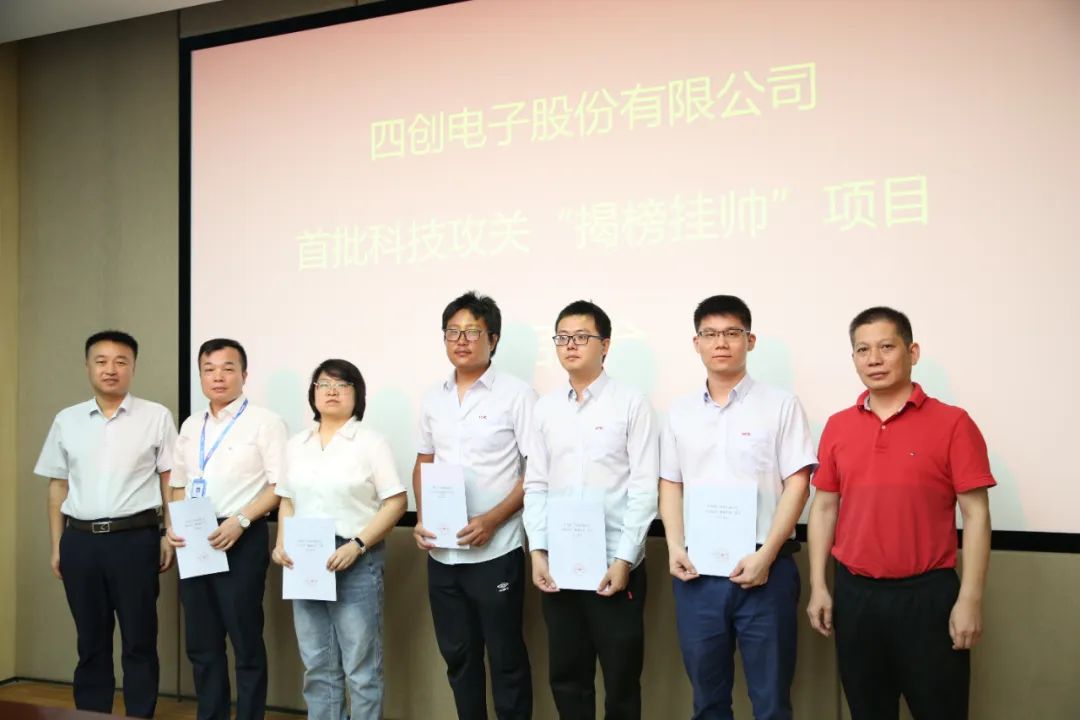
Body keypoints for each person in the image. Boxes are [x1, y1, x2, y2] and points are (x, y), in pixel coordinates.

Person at [806, 307, 994, 720]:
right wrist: (819, 585)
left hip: (928, 598)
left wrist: (970, 599)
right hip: (855, 596)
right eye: (863, 350)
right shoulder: (838, 425)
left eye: (886, 347)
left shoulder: (953, 423)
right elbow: (823, 508)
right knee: (867, 710)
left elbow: (976, 515)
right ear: (854, 358)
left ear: (912, 352)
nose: (874, 359)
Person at [659, 295, 816, 720]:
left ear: (750, 340)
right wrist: (674, 546)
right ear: (696, 343)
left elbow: (798, 483)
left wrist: (767, 556)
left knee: (771, 701)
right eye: (710, 334)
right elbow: (671, 483)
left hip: (766, 570)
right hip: (697, 575)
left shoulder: (780, 405)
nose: (721, 343)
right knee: (707, 701)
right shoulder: (680, 412)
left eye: (731, 333)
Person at [524, 299, 658, 720]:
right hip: (560, 567)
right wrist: (538, 551)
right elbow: (536, 485)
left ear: (606, 345)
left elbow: (644, 488)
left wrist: (624, 559)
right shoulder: (545, 408)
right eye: (562, 338)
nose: (570, 345)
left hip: (614, 566)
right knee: (568, 678)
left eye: (581, 337)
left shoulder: (632, 403)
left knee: (621, 681)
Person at [35, 330, 177, 718]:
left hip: (135, 540)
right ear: (87, 366)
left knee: (139, 640)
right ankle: (91, 714)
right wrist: (57, 544)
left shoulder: (156, 416)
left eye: (120, 361)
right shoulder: (67, 420)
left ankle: (139, 714)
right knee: (91, 641)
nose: (110, 369)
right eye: (101, 361)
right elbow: (58, 486)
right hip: (80, 542)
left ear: (133, 367)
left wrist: (168, 533)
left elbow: (170, 480)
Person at [412, 291, 535, 719]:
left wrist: (492, 520)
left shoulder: (518, 395)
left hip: (496, 550)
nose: (461, 340)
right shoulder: (434, 398)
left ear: (493, 339)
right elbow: (424, 461)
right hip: (443, 554)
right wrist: (422, 516)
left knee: (506, 659)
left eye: (472, 332)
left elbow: (537, 471)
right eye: (453, 332)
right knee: (459, 659)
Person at [273, 358, 407, 720]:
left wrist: (358, 545)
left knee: (361, 668)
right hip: (304, 560)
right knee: (317, 664)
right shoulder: (296, 444)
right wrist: (281, 543)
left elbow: (396, 502)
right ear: (313, 393)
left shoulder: (371, 442)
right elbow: (287, 500)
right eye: (324, 384)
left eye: (342, 385)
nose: (331, 391)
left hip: (354, 558)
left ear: (357, 394)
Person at [167, 338, 287, 720]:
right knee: (202, 642)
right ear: (201, 376)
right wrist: (173, 525)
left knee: (245, 638)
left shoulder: (266, 422)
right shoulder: (191, 425)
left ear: (244, 375)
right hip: (194, 535)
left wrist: (242, 520)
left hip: (241, 534)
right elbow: (178, 483)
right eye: (209, 369)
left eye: (227, 368)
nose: (218, 377)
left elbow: (280, 486)